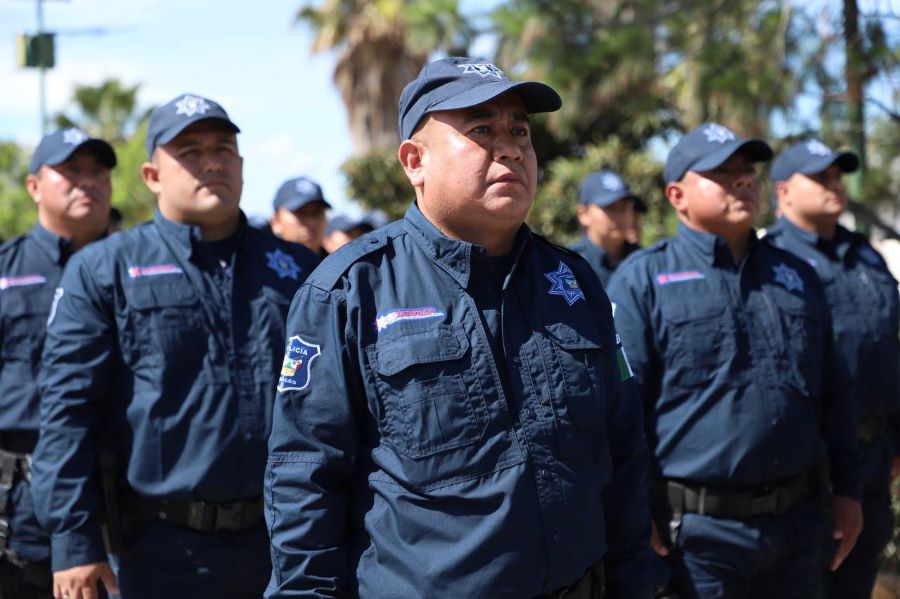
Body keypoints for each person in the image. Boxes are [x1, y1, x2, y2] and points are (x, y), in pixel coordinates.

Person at [264, 57, 654, 598]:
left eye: (520, 130)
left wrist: (637, 580)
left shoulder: (572, 280)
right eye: (481, 130)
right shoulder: (350, 290)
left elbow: (623, 448)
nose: (511, 147)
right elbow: (306, 474)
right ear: (414, 160)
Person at [31, 93, 319, 599]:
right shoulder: (105, 269)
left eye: (223, 149)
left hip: (289, 543)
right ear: (151, 176)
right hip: (158, 551)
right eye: (188, 151)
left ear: (242, 164)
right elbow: (67, 411)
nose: (210, 162)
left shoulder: (299, 268)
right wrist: (73, 540)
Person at [606, 123, 862, 598]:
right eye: (722, 172)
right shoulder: (643, 280)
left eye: (748, 171)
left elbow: (834, 389)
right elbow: (619, 412)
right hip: (700, 537)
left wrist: (849, 490)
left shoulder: (796, 276)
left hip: (799, 527)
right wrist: (634, 513)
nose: (743, 180)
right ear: (677, 194)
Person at [767, 139, 900, 599]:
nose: (833, 185)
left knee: (859, 576)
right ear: (783, 192)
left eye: (837, 176)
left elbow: (887, 345)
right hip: (813, 465)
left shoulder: (864, 253)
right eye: (819, 177)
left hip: (875, 455)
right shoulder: (771, 261)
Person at [0, 128, 115, 599]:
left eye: (97, 172)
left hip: (119, 506)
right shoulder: (6, 271)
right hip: (16, 504)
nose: (85, 181)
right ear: (33, 187)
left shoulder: (137, 269)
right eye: (69, 171)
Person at [570, 169, 647, 287]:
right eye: (609, 207)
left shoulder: (645, 262)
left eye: (623, 207)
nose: (618, 216)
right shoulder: (568, 265)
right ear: (583, 214)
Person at [268, 176, 331, 255]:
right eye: (301, 213)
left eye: (317, 213)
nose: (311, 222)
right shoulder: (259, 263)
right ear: (276, 221)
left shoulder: (340, 265)